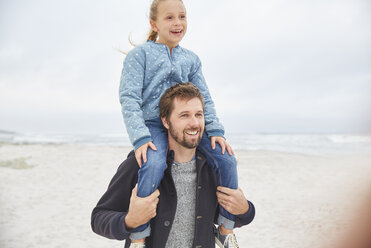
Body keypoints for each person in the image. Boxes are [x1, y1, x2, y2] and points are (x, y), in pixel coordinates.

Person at [119, 0, 240, 245]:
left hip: (186, 123)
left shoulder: (192, 60)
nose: (177, 23)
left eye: (182, 17)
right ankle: (139, 237)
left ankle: (226, 230)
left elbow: (204, 97)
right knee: (152, 164)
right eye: (170, 18)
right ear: (154, 23)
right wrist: (140, 137)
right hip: (152, 125)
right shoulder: (139, 55)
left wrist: (215, 130)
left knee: (226, 158)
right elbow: (129, 97)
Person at [92, 83, 255, 247]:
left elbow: (226, 216)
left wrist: (245, 209)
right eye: (184, 115)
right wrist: (129, 221)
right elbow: (98, 218)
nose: (194, 123)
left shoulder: (212, 166)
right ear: (166, 121)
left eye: (199, 114)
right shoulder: (142, 163)